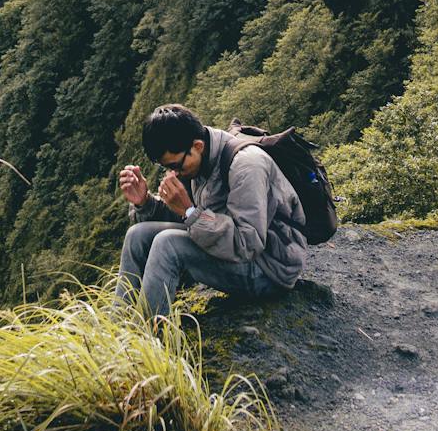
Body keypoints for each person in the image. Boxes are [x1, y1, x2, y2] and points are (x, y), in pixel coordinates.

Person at [115, 105, 307, 320]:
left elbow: (247, 243)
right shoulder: (197, 157)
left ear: (197, 146)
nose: (174, 173)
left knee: (167, 244)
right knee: (137, 235)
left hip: (270, 268)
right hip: (235, 251)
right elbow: (187, 218)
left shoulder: (246, 166)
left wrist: (190, 212)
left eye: (176, 165)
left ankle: (147, 339)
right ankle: (119, 330)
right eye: (166, 167)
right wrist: (145, 203)